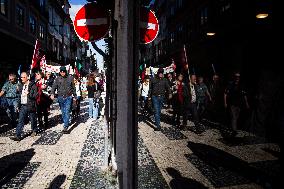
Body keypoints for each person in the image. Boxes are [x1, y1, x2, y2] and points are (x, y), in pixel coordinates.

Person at [10, 72, 39, 141]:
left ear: (27, 77)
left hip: (31, 105)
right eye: (21, 77)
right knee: (21, 120)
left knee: (32, 119)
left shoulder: (33, 85)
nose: (21, 78)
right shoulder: (21, 85)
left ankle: (34, 130)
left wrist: (29, 94)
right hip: (23, 105)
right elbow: (19, 96)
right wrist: (18, 105)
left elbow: (36, 96)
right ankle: (18, 135)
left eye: (23, 77)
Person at [50, 66, 76, 133]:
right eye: (61, 71)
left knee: (67, 111)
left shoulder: (70, 78)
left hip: (68, 97)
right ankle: (66, 122)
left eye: (63, 71)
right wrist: (52, 93)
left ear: (65, 71)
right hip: (60, 97)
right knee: (63, 112)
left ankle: (65, 127)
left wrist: (75, 96)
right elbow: (54, 87)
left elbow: (73, 88)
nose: (62, 73)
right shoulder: (57, 78)